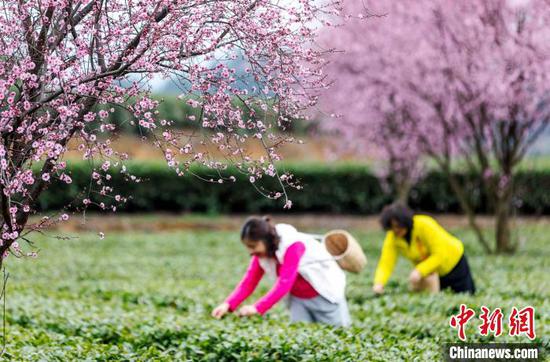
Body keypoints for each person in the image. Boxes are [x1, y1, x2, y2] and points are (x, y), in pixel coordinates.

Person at [212, 216, 350, 327]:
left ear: (265, 240)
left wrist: (257, 308)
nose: (250, 251)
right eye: (248, 247)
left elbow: (284, 283)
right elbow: (249, 281)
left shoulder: (293, 245)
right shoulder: (260, 254)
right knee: (300, 337)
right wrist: (228, 305)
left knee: (337, 332)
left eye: (253, 246)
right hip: (298, 300)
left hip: (324, 295)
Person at [372, 203, 476, 295]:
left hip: (454, 263)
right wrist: (379, 283)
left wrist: (419, 270)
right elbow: (385, 263)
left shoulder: (424, 224)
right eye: (392, 227)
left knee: (465, 298)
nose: (396, 230)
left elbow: (440, 254)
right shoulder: (392, 237)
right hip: (433, 273)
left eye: (398, 226)